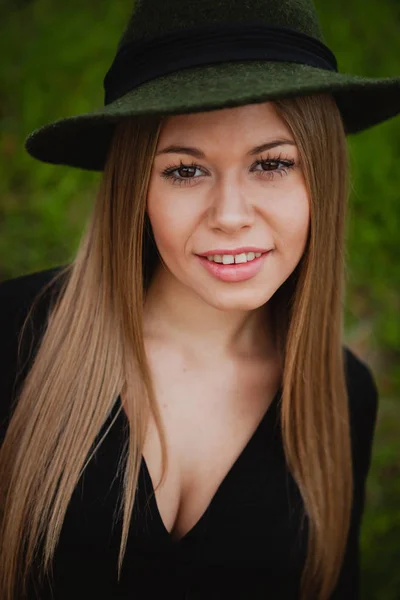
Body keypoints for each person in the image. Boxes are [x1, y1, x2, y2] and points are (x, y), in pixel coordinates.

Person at [0, 0, 398, 599]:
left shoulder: (343, 398)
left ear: (323, 175)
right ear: (135, 188)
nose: (231, 216)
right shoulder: (11, 334)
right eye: (186, 171)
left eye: (272, 163)